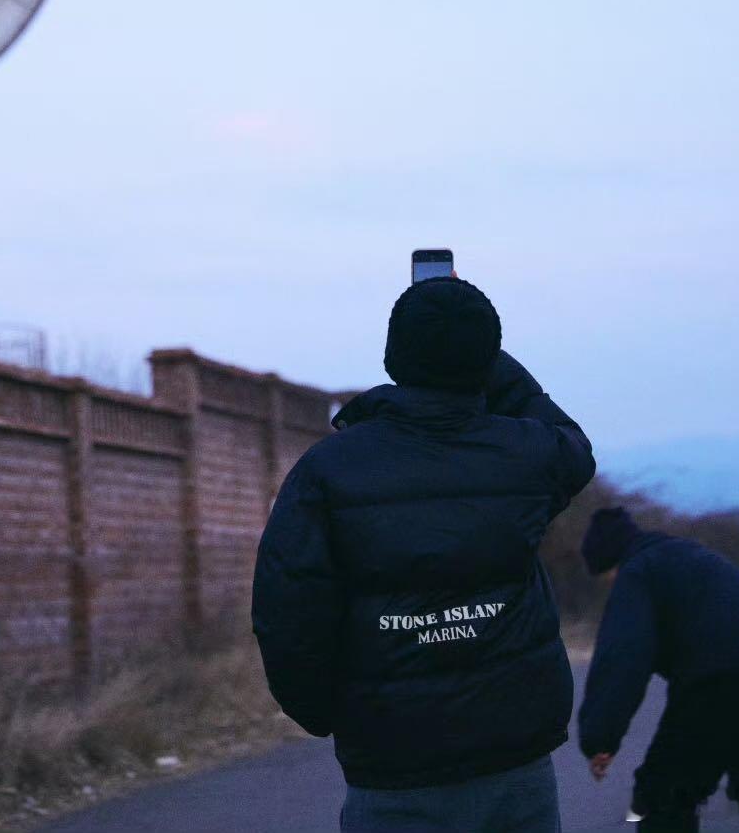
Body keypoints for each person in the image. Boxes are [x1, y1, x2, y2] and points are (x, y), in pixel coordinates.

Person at [251, 275, 596, 833]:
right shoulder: (526, 453)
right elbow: (572, 443)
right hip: (515, 755)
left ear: (393, 355)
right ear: (488, 359)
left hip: (393, 763)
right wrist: (484, 356)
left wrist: (323, 714)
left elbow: (287, 610)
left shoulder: (327, 470)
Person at [577, 505, 739, 832]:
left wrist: (600, 736)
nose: (610, 587)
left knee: (662, 795)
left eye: (607, 578)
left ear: (611, 563)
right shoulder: (694, 558)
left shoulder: (637, 571)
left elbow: (622, 658)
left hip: (720, 687)